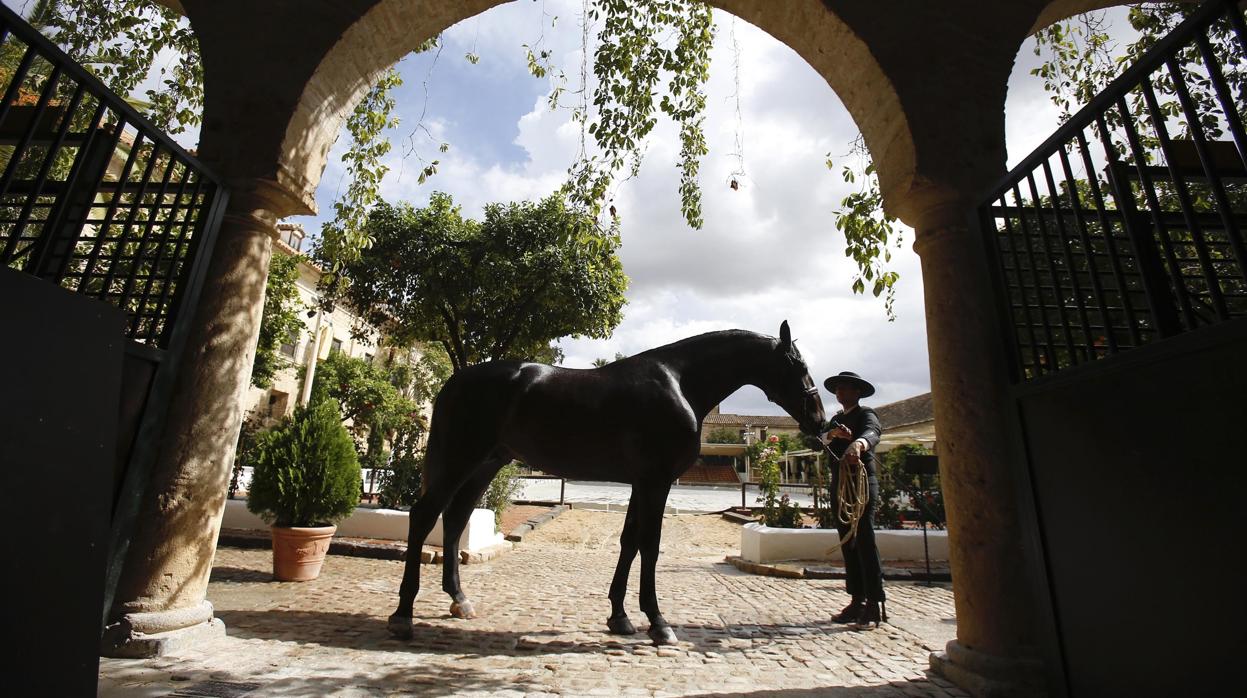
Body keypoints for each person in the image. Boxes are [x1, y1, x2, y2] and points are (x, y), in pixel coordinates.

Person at [821, 370, 886, 629]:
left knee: (864, 540)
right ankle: (856, 600)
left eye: (846, 388)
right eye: (838, 389)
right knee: (847, 541)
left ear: (857, 392)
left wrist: (858, 444)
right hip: (840, 484)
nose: (841, 393)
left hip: (861, 482)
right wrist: (834, 436)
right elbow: (819, 440)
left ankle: (874, 602)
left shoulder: (866, 414)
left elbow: (872, 433)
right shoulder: (836, 421)